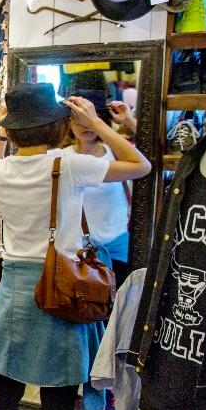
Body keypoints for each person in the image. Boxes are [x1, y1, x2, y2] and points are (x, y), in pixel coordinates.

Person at [0, 83, 150, 410]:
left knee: (6, 390)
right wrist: (98, 127)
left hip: (14, 288)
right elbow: (140, 166)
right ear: (56, 124)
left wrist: (2, 132)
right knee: (57, 398)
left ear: (13, 130)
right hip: (61, 289)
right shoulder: (69, 164)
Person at [64, 91, 132, 286]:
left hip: (118, 244)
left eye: (92, 120)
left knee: (121, 306)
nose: (86, 126)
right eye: (78, 120)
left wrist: (129, 120)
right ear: (68, 122)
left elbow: (151, 159)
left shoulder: (116, 153)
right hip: (77, 249)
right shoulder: (61, 157)